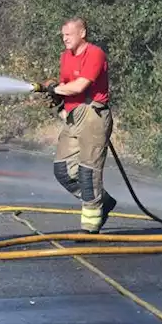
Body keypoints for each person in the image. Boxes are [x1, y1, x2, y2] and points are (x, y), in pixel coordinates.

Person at [37, 17, 115, 234]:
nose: (64, 39)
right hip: (72, 116)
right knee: (62, 170)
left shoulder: (95, 54)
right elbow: (65, 85)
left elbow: (81, 85)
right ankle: (103, 201)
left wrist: (54, 90)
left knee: (87, 171)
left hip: (93, 114)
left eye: (68, 34)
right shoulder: (65, 57)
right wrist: (56, 95)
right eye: (62, 35)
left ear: (82, 33)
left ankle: (90, 226)